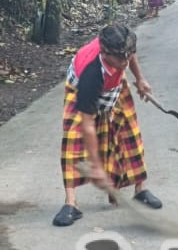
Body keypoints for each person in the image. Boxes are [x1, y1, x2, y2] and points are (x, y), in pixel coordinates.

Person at [54, 24, 163, 227]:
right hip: (82, 89)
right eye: (119, 59)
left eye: (126, 56)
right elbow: (88, 126)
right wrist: (96, 167)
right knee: (73, 142)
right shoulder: (91, 73)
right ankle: (71, 203)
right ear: (104, 53)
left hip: (114, 86)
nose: (124, 62)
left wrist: (140, 79)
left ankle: (140, 190)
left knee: (130, 136)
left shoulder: (122, 44)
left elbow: (130, 54)